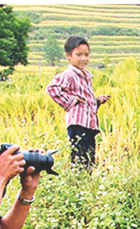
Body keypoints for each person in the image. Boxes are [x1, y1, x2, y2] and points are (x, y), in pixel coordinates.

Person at [45, 36, 109, 170]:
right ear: (68, 56)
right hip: (78, 124)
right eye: (78, 55)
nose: (83, 58)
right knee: (81, 157)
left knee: (89, 157)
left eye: (86, 55)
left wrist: (97, 101)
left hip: (88, 124)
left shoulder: (85, 76)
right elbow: (52, 89)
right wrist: (71, 101)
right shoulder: (69, 75)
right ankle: (79, 183)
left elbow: (84, 101)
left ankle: (83, 183)